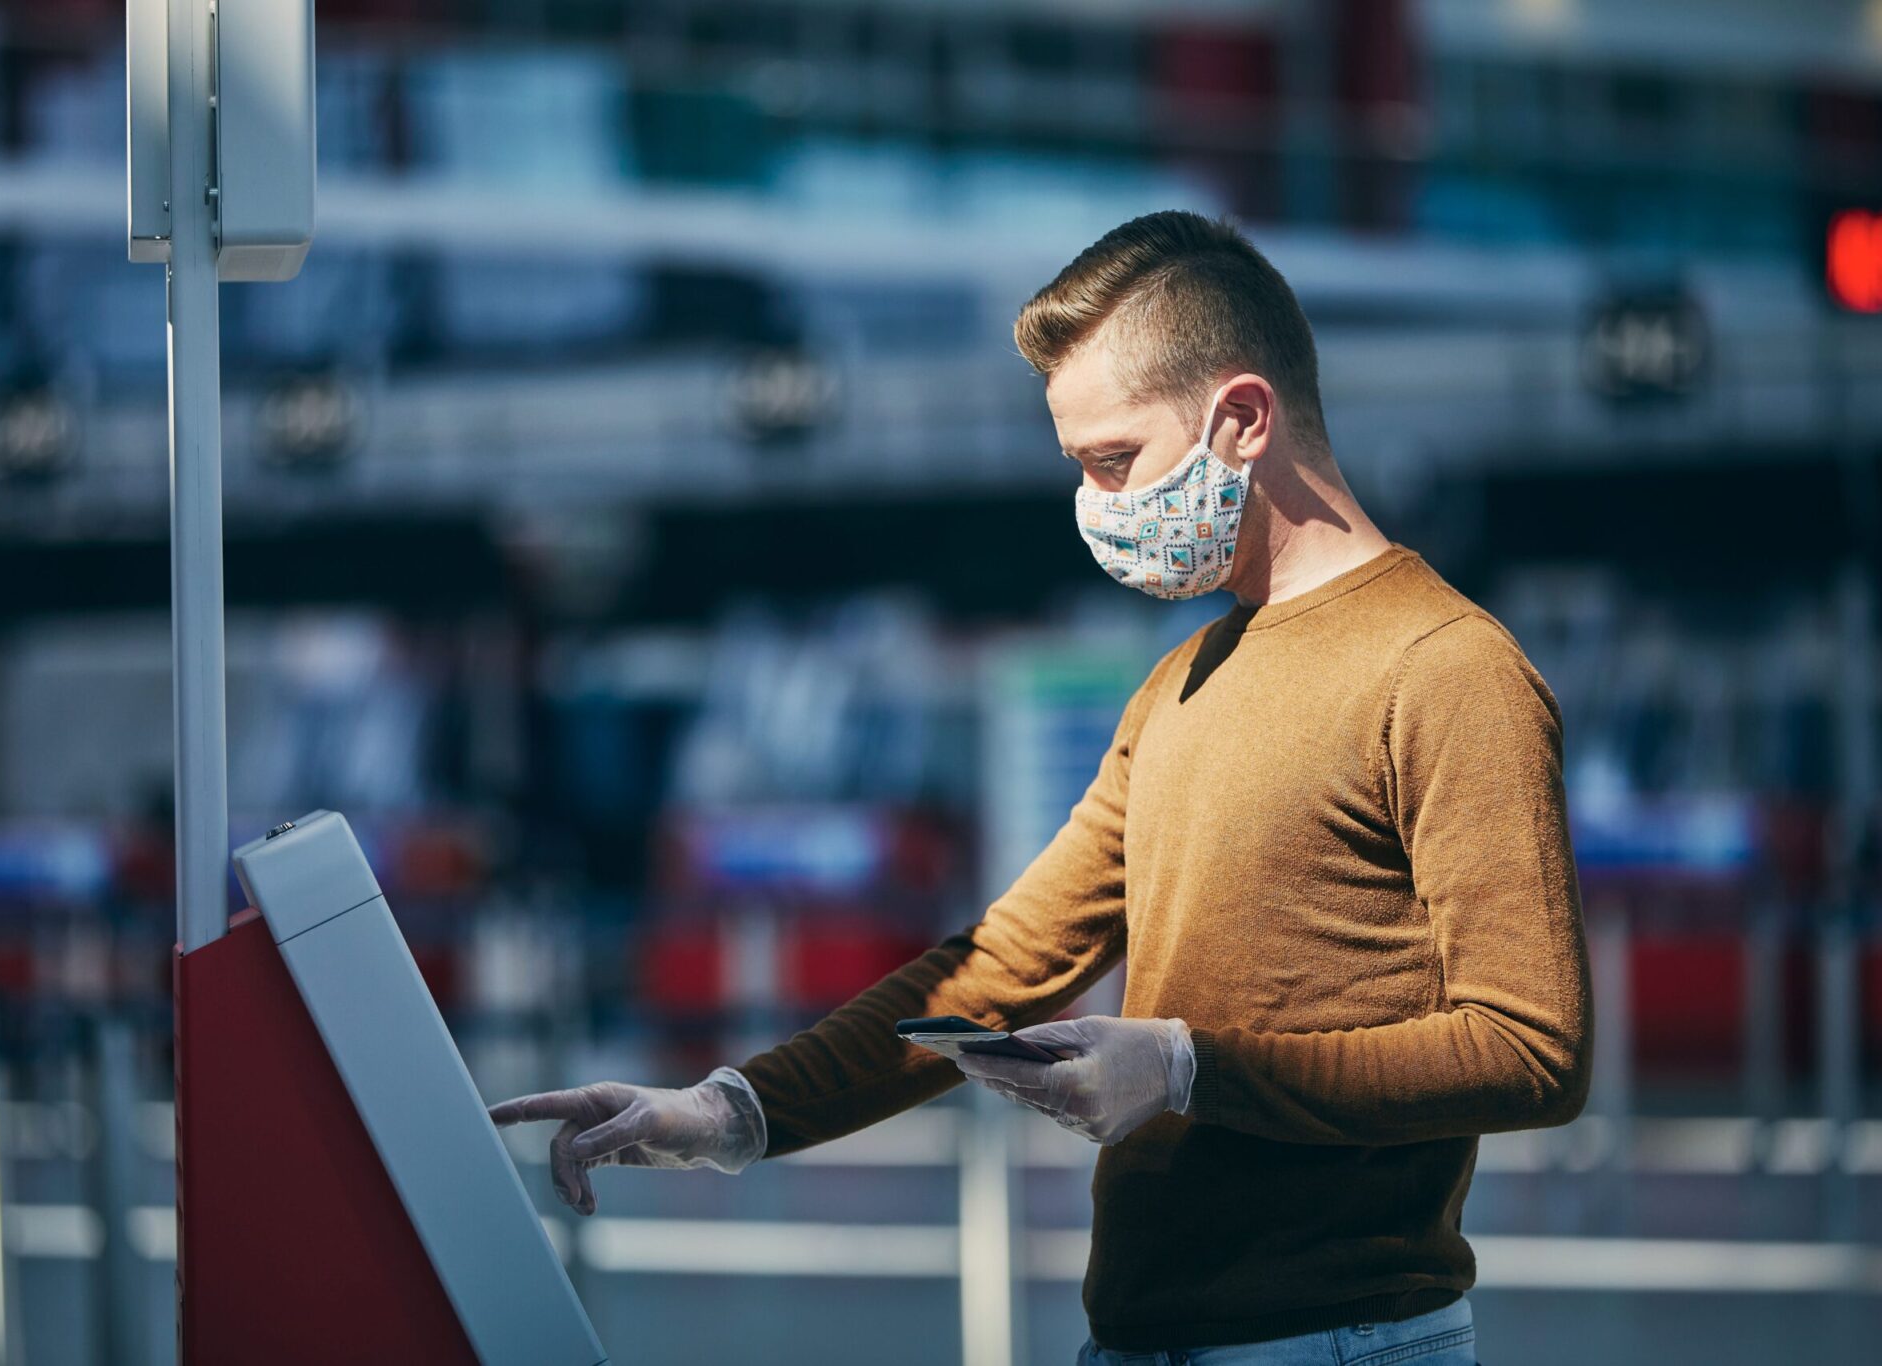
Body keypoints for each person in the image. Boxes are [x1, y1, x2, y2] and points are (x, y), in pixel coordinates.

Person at [493, 211, 1593, 1365]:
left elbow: (1530, 1047)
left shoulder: (1447, 669)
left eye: (1112, 461)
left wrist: (1181, 1067)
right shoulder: (1182, 679)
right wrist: (731, 1113)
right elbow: (1000, 962)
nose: (1095, 505)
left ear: (1244, 419)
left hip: (1339, 1341)